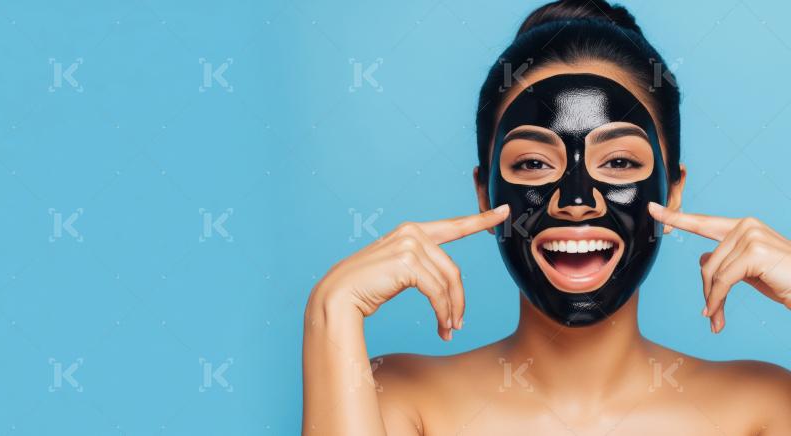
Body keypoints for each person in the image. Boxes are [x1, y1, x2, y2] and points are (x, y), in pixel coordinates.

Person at [302, 1, 791, 434]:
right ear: (484, 192)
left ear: (673, 191)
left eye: (620, 161)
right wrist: (331, 308)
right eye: (533, 164)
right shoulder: (393, 397)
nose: (575, 200)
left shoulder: (765, 407)